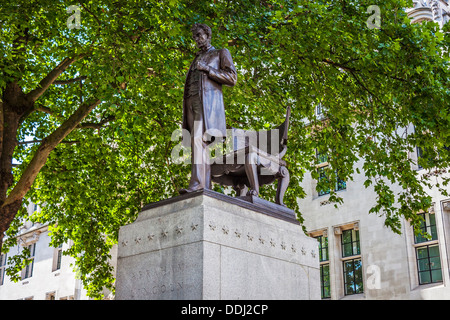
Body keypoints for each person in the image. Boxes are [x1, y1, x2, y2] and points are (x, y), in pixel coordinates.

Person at [180, 23, 237, 194]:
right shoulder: (195, 58)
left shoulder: (220, 53)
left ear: (207, 34)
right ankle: (204, 186)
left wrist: (208, 69)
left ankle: (197, 184)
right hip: (191, 101)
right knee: (197, 142)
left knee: (198, 139)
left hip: (207, 104)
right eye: (194, 37)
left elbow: (232, 78)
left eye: (199, 35)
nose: (197, 39)